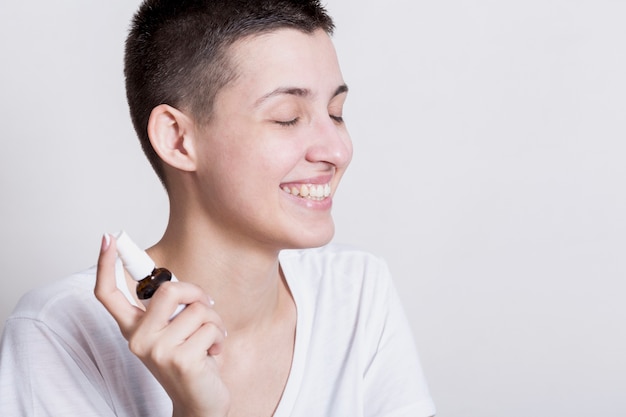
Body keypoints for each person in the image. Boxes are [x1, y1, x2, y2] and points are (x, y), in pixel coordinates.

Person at [0, 0, 436, 416]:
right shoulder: (59, 333)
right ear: (177, 139)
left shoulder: (356, 291)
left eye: (336, 113)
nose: (338, 150)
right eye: (287, 116)